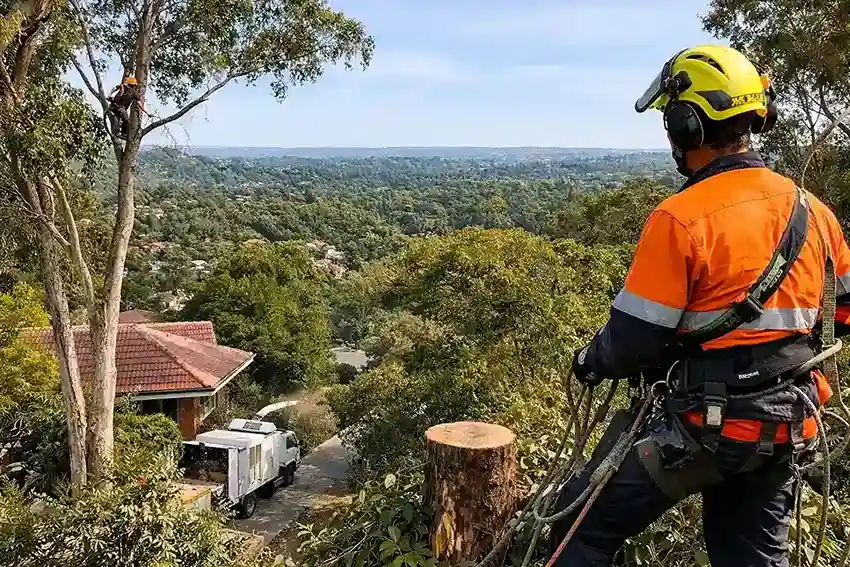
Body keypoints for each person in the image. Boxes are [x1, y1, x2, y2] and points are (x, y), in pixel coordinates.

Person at [552, 44, 850, 567]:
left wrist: (588, 361)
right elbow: (844, 314)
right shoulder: (813, 210)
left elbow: (630, 345)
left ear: (686, 127)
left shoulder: (681, 217)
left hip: (705, 429)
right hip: (787, 426)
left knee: (577, 532)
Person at [107, 76, 146, 140]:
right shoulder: (129, 90)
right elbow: (114, 88)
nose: (133, 86)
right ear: (133, 85)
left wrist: (109, 95)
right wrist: (109, 95)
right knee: (126, 121)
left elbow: (114, 88)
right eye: (133, 85)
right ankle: (123, 134)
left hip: (115, 106)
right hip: (119, 107)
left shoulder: (131, 91)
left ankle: (117, 131)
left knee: (119, 118)